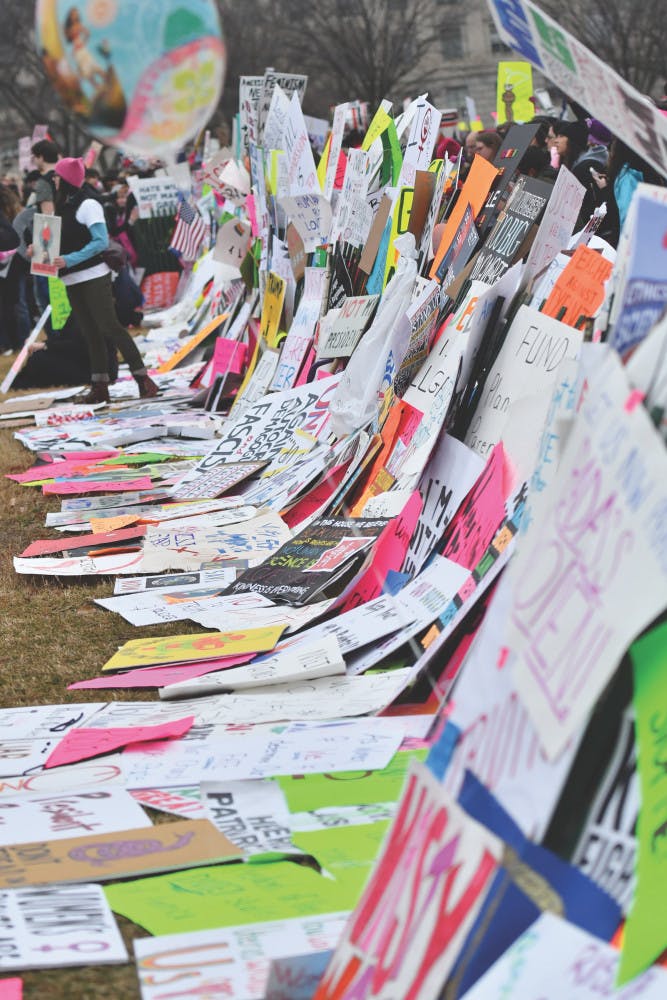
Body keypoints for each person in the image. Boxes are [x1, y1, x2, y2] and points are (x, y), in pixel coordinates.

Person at [43, 156, 157, 404]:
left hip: (93, 275)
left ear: (65, 180)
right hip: (72, 278)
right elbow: (63, 240)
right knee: (90, 332)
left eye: (57, 176)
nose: (53, 179)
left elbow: (100, 241)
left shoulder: (88, 205)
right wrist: (39, 251)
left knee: (109, 327)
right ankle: (99, 385)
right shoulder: (63, 205)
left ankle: (143, 379)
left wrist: (70, 259)